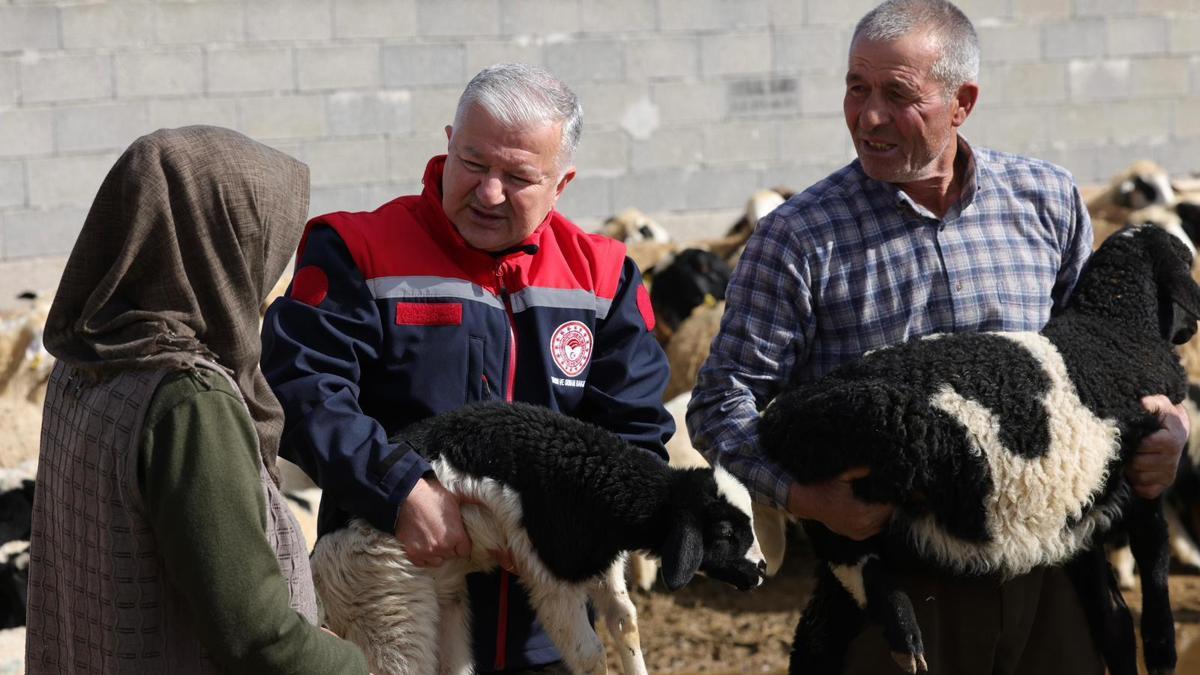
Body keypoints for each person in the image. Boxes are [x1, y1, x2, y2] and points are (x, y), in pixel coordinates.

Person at [687, 1, 1189, 673]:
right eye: (855, 88)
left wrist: (1168, 428)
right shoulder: (798, 238)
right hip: (893, 592)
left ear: (962, 102)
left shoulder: (1046, 200)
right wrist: (808, 500)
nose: (867, 116)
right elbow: (721, 402)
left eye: (897, 95)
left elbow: (1102, 358)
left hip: (1054, 577)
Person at [261, 63, 673, 672]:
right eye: (474, 164)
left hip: (547, 634)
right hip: (391, 611)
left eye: (519, 176)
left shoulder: (603, 278)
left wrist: (560, 524)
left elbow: (636, 437)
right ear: (448, 143)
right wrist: (400, 491)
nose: (488, 192)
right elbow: (304, 391)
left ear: (563, 184)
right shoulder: (357, 251)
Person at [25, 126, 368, 673]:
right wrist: (354, 665)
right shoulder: (189, 402)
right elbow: (258, 638)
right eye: (265, 243)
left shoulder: (88, 355)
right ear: (222, 247)